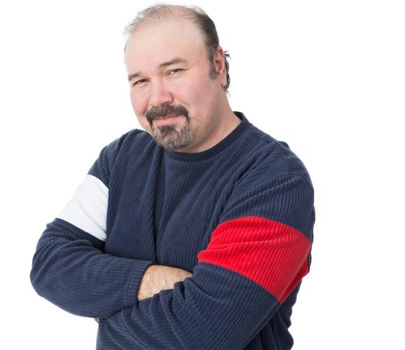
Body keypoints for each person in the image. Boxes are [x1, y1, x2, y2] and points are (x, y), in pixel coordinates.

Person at [31, 4, 314, 349]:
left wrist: (104, 310)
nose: (158, 98)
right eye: (141, 81)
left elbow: (201, 334)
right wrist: (150, 280)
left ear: (219, 66)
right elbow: (49, 265)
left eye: (174, 71)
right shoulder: (120, 159)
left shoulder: (275, 181)